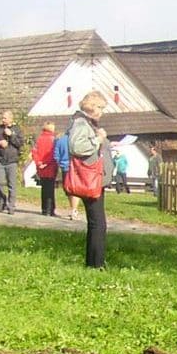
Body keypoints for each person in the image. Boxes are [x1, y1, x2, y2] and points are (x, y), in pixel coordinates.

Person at [68, 92, 113, 268]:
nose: (101, 112)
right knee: (98, 224)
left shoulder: (87, 123)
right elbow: (76, 146)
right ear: (91, 106)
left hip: (95, 178)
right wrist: (98, 139)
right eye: (100, 107)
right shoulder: (81, 123)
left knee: (97, 223)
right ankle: (96, 264)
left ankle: (94, 262)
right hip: (90, 178)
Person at [0, 110, 23, 215]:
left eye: (5, 118)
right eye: (2, 118)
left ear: (10, 118)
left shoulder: (17, 129)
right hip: (0, 159)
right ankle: (2, 200)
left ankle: (11, 206)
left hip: (12, 160)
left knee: (12, 184)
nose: (3, 120)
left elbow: (19, 143)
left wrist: (12, 135)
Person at [31, 121, 58, 217]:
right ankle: (50, 209)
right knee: (50, 189)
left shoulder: (38, 139)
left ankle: (44, 208)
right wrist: (46, 163)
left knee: (44, 188)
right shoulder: (53, 139)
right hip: (50, 166)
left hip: (40, 167)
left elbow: (34, 152)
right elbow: (52, 154)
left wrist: (39, 162)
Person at [54, 131, 81, 220]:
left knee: (68, 189)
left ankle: (73, 209)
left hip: (65, 167)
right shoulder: (77, 140)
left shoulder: (60, 140)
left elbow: (56, 155)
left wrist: (59, 164)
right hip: (76, 167)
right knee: (75, 189)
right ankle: (74, 210)